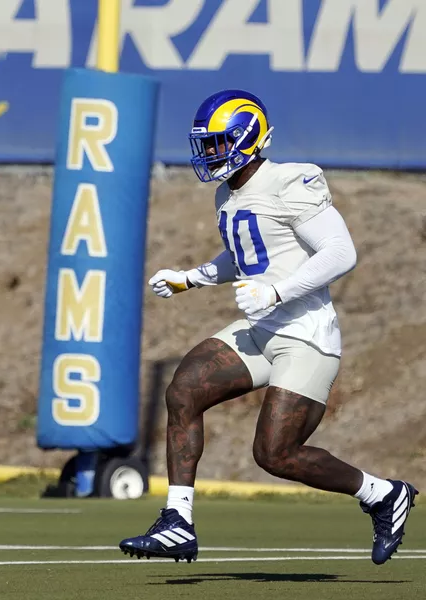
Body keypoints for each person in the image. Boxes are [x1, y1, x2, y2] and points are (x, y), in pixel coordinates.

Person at [119, 90, 417, 566]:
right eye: (206, 144)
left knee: (275, 454)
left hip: (304, 334)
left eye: (217, 143)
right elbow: (245, 255)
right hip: (259, 329)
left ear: (247, 136)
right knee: (184, 391)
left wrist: (276, 292)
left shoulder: (290, 181)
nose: (209, 154)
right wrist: (191, 277)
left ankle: (382, 493)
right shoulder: (228, 192)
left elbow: (341, 253)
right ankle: (178, 522)